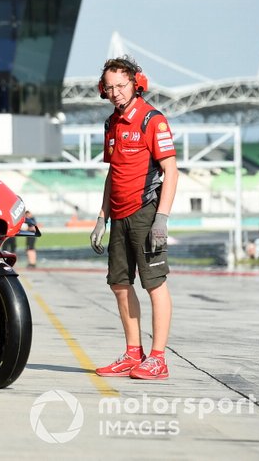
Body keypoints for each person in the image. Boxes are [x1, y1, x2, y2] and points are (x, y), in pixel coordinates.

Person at [89, 56, 178, 381]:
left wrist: (162, 218)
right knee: (119, 284)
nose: (115, 92)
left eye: (121, 86)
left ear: (136, 83)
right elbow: (113, 173)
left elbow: (171, 171)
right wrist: (102, 217)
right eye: (109, 87)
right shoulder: (111, 124)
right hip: (119, 217)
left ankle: (158, 359)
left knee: (155, 285)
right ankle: (132, 353)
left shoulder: (153, 120)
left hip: (145, 213)